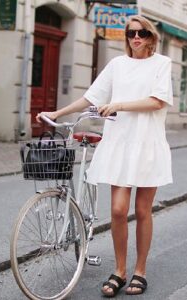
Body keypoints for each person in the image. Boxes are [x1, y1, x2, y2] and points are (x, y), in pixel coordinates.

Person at [36, 15, 173, 297]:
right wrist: (57, 113)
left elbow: (157, 100)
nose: (136, 38)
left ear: (151, 37)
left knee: (143, 211)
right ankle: (120, 270)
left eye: (142, 34)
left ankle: (140, 271)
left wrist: (119, 104)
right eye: (131, 33)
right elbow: (91, 97)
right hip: (119, 143)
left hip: (147, 143)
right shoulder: (117, 65)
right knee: (118, 211)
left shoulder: (162, 64)